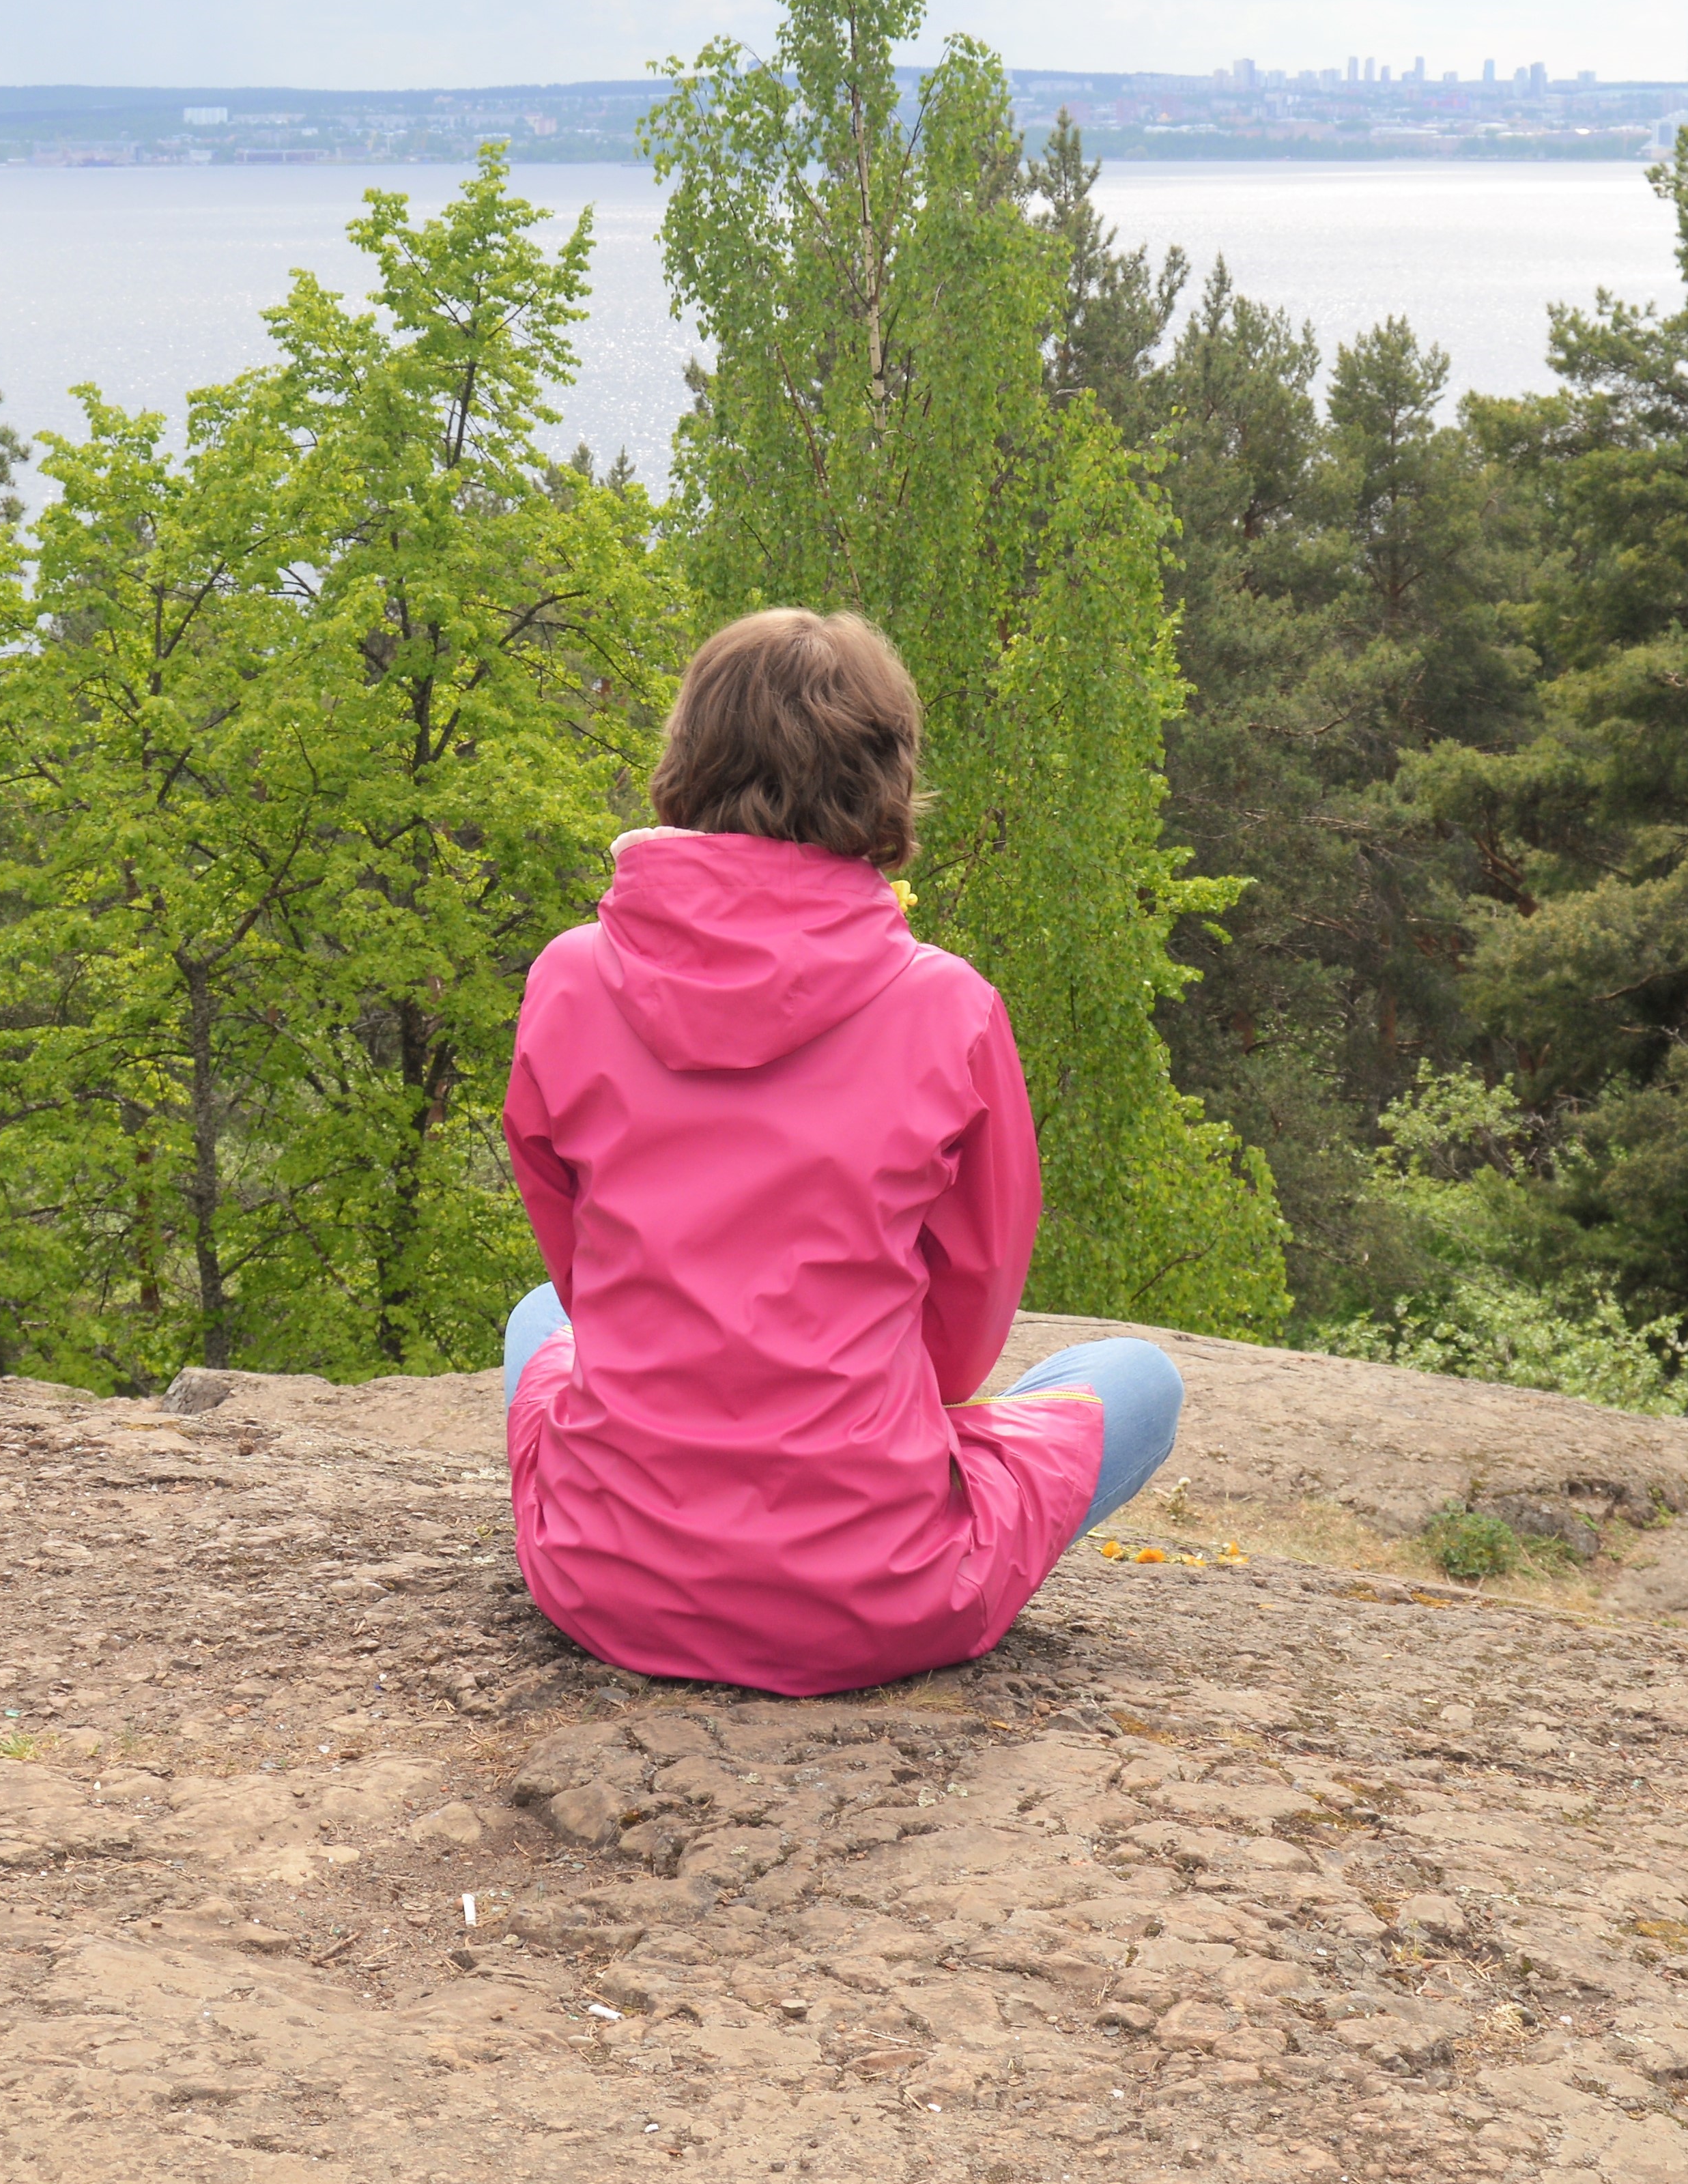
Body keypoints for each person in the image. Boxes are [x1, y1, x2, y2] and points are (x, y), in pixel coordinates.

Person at [498, 607, 1184, 1698]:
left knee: (539, 1316)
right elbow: (960, 1347)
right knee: (1138, 1378)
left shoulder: (569, 975)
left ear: (686, 757)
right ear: (885, 776)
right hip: (877, 1595)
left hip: (606, 1580)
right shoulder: (948, 1006)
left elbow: (582, 1273)